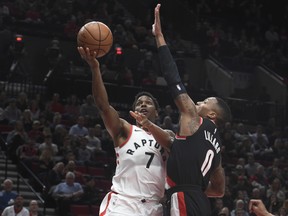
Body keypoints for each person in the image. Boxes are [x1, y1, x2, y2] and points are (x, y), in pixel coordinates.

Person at [132, 4, 232, 215]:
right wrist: (149, 125)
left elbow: (173, 77)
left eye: (205, 102)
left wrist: (159, 37)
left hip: (183, 198)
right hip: (201, 203)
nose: (198, 103)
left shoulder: (194, 118)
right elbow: (220, 190)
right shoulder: (217, 149)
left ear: (212, 114)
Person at [77, 42, 172, 215]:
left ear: (156, 113)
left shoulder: (167, 136)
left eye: (148, 103)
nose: (143, 104)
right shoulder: (125, 129)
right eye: (139, 103)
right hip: (123, 204)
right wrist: (95, 69)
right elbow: (103, 106)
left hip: (153, 207)